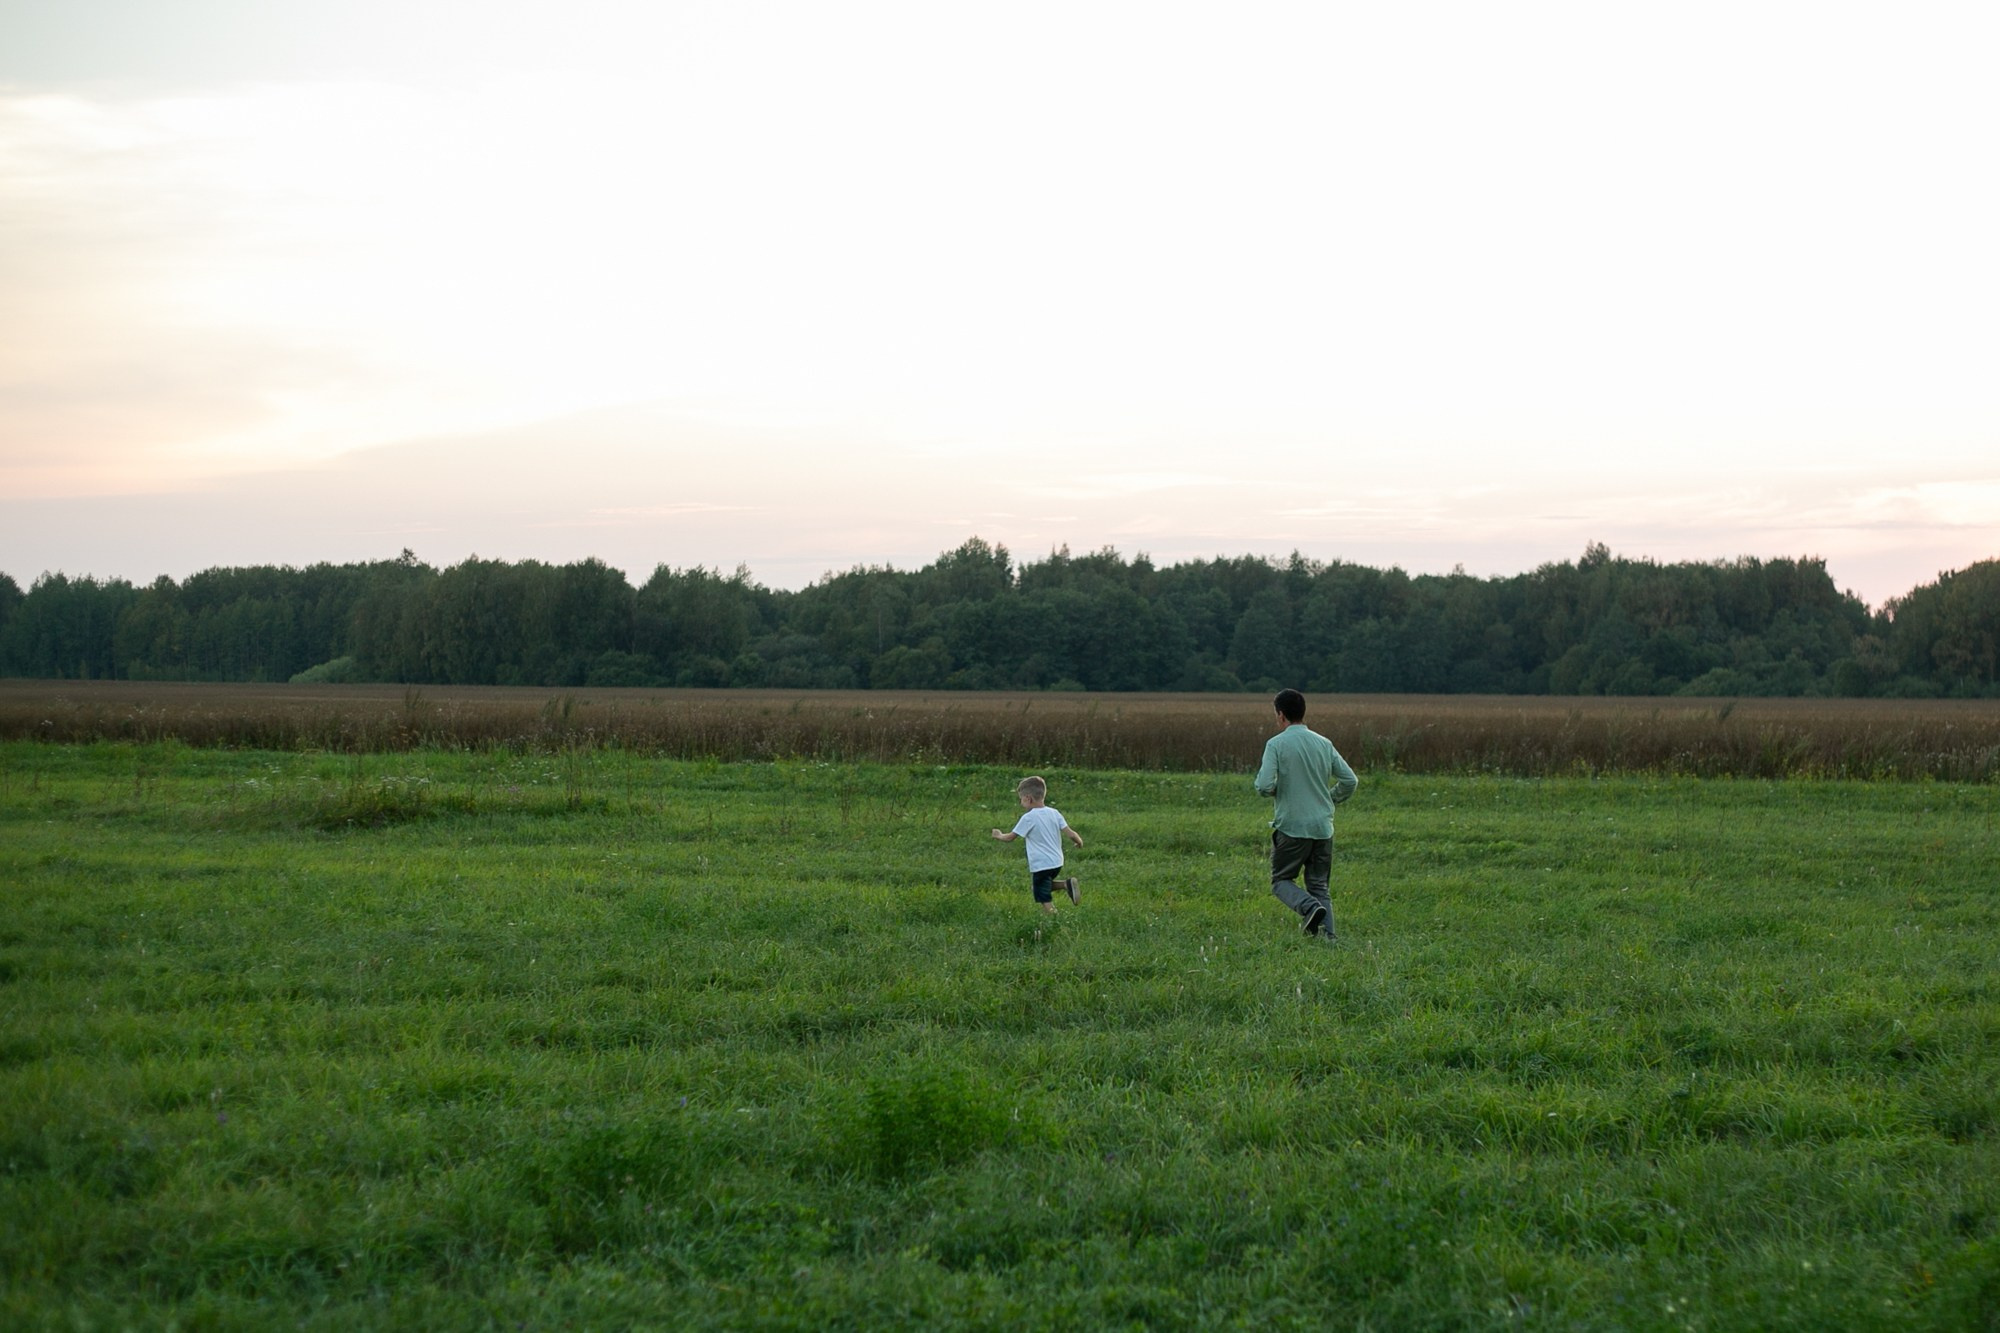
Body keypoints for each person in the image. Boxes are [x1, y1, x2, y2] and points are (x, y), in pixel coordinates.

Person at [1254, 689, 1358, 939]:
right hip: (1323, 827)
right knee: (1319, 885)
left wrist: (1278, 790)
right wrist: (1328, 798)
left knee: (1281, 881)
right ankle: (1329, 938)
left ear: (1281, 715)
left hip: (1292, 828)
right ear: (1303, 712)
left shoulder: (1276, 744)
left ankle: (1310, 908)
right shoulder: (1324, 743)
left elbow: (1264, 785)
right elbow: (1350, 780)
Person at [990, 774, 1083, 914]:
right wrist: (1079, 842)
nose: (1020, 802)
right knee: (1037, 887)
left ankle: (1054, 918)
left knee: (1042, 895)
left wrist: (998, 835)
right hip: (1057, 862)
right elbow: (1071, 833)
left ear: (1028, 798)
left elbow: (1010, 837)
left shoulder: (1028, 817)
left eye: (1021, 799)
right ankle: (1066, 884)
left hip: (1041, 864)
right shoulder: (1054, 813)